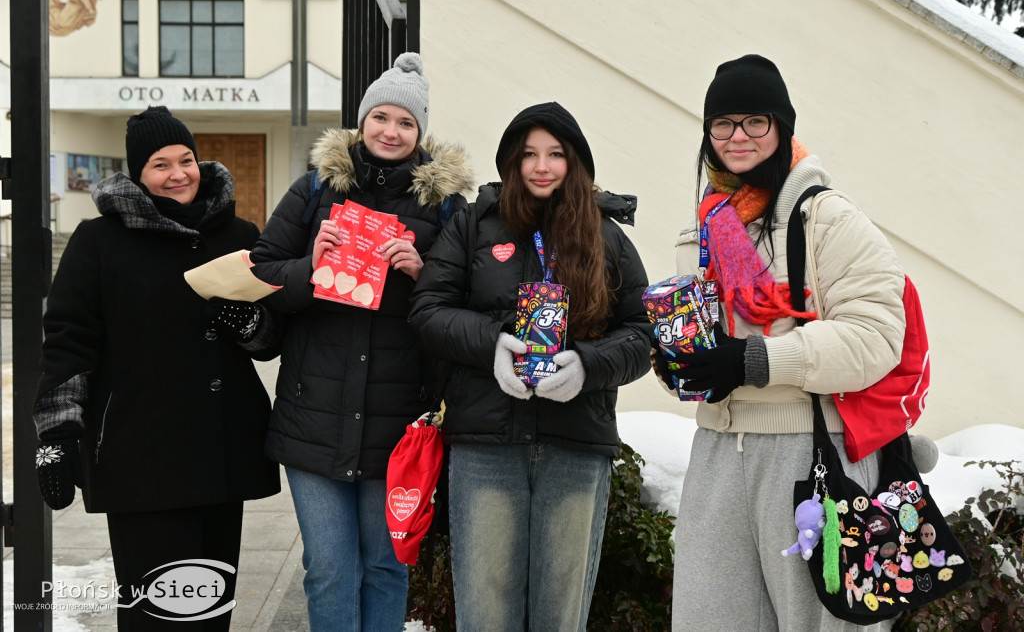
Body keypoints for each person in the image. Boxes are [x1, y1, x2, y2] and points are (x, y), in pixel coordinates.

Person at [666, 54, 906, 631]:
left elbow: (877, 335)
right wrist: (678, 358)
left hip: (811, 453)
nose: (737, 136)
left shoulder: (827, 218)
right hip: (719, 451)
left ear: (782, 126)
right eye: (722, 123)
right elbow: (707, 337)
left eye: (755, 121)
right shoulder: (703, 228)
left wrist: (755, 360)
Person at [247, 52, 473, 632]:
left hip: (397, 423)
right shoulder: (314, 190)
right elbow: (261, 271)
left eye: (405, 123)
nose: (390, 132)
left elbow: (469, 301)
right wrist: (308, 266)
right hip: (312, 418)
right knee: (328, 568)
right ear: (362, 121)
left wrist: (424, 273)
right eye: (381, 118)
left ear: (420, 134)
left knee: (385, 565)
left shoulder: (446, 208)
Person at [33, 106, 281, 630]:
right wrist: (56, 434)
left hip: (221, 454)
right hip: (140, 457)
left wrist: (250, 323)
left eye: (186, 159)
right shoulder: (98, 241)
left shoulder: (239, 233)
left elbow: (271, 340)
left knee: (210, 608)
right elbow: (67, 340)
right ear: (138, 175)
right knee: (159, 614)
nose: (178, 174)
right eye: (160, 164)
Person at [409, 101, 652, 631]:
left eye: (555, 154)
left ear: (575, 162)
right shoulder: (474, 226)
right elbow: (427, 311)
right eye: (528, 154)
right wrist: (492, 343)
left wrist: (588, 365)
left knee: (559, 612)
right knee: (485, 608)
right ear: (511, 162)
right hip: (485, 444)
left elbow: (642, 333)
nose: (542, 166)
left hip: (576, 443)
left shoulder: (608, 237)